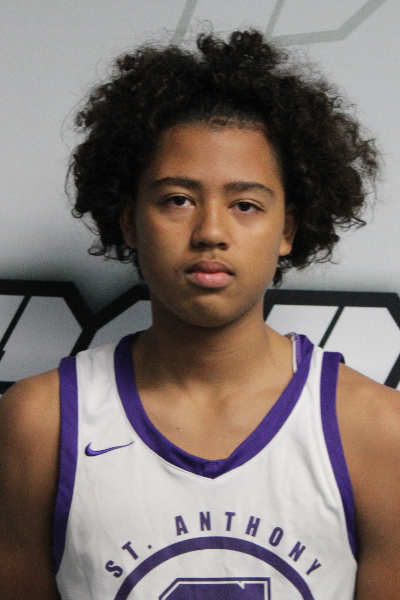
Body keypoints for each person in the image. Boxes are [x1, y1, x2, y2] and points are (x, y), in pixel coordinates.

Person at [1, 29, 399, 600]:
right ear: (129, 221)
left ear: (287, 228)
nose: (211, 231)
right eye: (178, 200)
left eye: (245, 205)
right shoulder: (41, 422)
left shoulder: (377, 429)